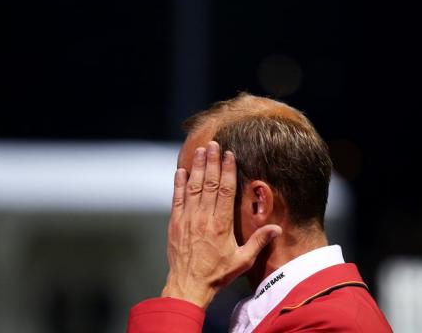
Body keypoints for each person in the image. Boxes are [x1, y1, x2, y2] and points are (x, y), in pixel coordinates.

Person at [127, 93, 392, 332]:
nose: (183, 222)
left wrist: (183, 290)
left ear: (258, 203)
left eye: (199, 193)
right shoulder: (309, 309)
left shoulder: (330, 324)